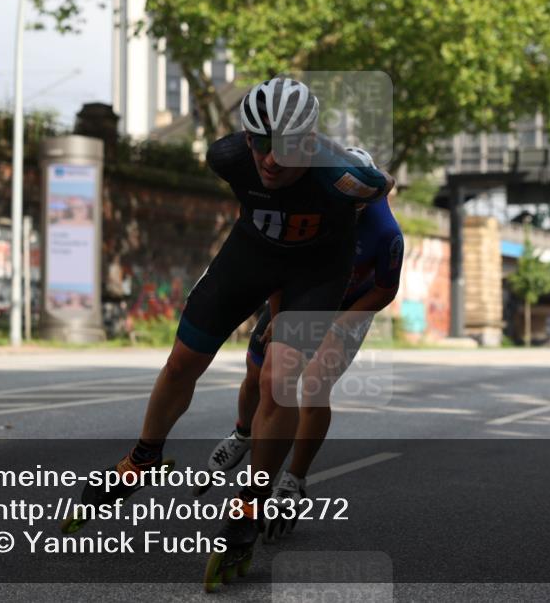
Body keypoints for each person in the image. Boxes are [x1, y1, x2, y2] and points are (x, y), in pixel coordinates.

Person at [69, 78, 394, 567]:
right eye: (259, 142)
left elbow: (382, 184)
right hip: (252, 255)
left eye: (286, 146)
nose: (270, 158)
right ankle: (142, 458)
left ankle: (251, 503)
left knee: (279, 380)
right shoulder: (227, 157)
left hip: (316, 272)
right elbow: (251, 171)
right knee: (181, 362)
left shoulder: (342, 177)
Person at [202, 147, 404, 541]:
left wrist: (336, 328)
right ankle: (243, 432)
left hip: (349, 306)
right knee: (259, 374)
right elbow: (281, 267)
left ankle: (293, 479)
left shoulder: (385, 232)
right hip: (301, 293)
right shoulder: (316, 202)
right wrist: (281, 319)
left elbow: (384, 290)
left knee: (312, 387)